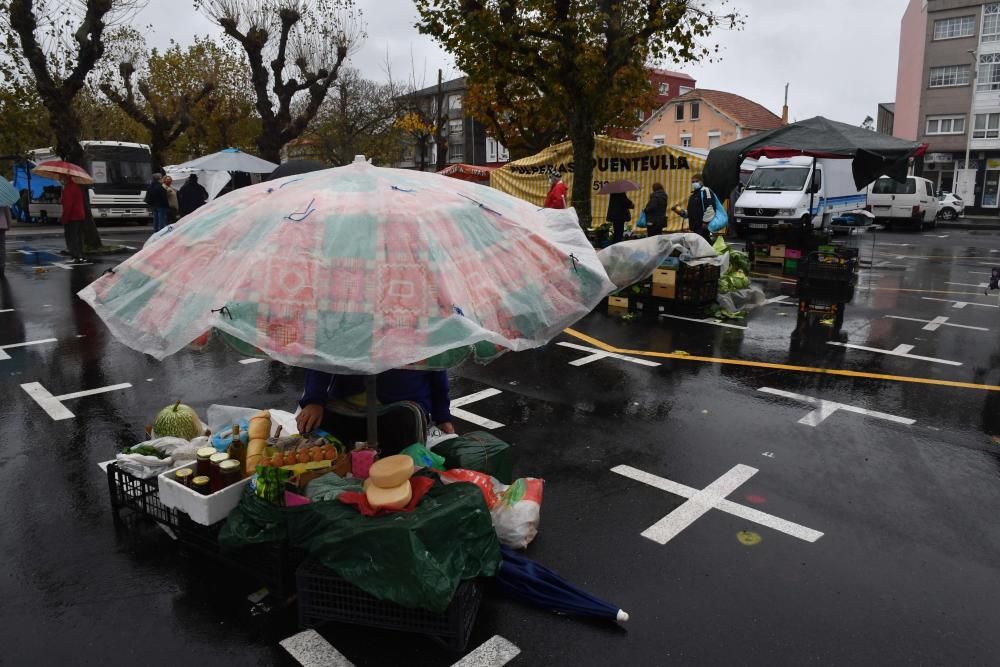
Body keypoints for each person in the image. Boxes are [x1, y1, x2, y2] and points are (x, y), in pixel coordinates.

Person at [296, 369, 455, 437]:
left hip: (400, 411)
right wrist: (314, 401)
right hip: (346, 407)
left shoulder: (419, 317)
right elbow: (324, 356)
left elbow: (438, 372)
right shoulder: (348, 309)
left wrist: (443, 417)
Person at [59, 175, 86, 263]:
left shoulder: (68, 189)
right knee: (78, 236)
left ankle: (75, 255)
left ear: (65, 179)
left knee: (71, 237)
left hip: (72, 216)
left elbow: (68, 206)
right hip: (79, 215)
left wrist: (64, 218)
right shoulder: (76, 186)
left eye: (61, 178)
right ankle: (80, 254)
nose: (60, 180)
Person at [685, 173, 714, 242]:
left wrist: (705, 222)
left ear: (701, 181)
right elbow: (693, 210)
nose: (694, 183)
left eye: (696, 181)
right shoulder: (693, 194)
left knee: (702, 244)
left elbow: (710, 207)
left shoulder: (705, 191)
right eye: (693, 182)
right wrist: (684, 213)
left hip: (701, 226)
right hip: (694, 225)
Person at [0, 205, 9, 278]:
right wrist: (9, 225)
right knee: (2, 248)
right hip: (1, 225)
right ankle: (2, 268)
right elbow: (7, 213)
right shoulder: (4, 198)